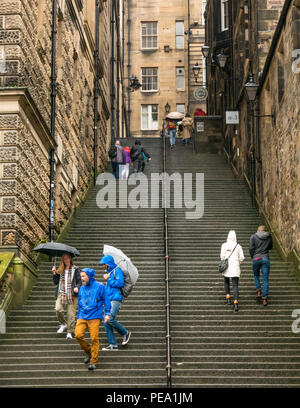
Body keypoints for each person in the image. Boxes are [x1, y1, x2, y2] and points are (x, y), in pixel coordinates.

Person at [75, 268, 111, 371]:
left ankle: (93, 361)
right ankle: (89, 351)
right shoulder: (81, 288)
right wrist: (78, 316)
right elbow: (80, 303)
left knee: (94, 338)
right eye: (81, 276)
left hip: (95, 315)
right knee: (78, 335)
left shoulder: (100, 286)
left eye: (83, 276)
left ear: (89, 276)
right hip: (82, 315)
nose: (81, 278)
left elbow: (106, 300)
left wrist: (107, 313)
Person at [99, 255, 131, 350]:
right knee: (106, 322)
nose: (103, 266)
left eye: (104, 264)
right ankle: (113, 344)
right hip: (109, 299)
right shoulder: (109, 272)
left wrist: (109, 279)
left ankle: (125, 333)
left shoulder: (117, 271)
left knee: (110, 319)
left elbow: (120, 283)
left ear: (108, 264)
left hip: (116, 298)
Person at [52, 253, 81, 339]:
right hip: (61, 293)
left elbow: (79, 281)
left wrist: (77, 287)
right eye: (64, 259)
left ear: (70, 259)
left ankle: (69, 332)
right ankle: (63, 324)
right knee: (58, 309)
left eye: (68, 258)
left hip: (72, 294)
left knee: (71, 314)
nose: (66, 260)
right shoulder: (60, 270)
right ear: (62, 260)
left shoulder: (75, 269)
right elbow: (55, 282)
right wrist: (54, 273)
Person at [220, 231, 245, 312]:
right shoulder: (238, 246)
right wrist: (238, 262)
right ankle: (236, 302)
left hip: (226, 266)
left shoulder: (224, 245)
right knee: (235, 285)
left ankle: (228, 297)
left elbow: (222, 256)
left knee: (226, 281)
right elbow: (242, 257)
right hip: (235, 266)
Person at [249, 225, 273, 306]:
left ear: (258, 230)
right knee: (265, 279)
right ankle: (264, 299)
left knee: (256, 275)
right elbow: (270, 247)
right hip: (265, 258)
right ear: (265, 231)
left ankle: (258, 290)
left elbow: (251, 248)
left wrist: (253, 256)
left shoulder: (253, 236)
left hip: (256, 258)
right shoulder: (269, 236)